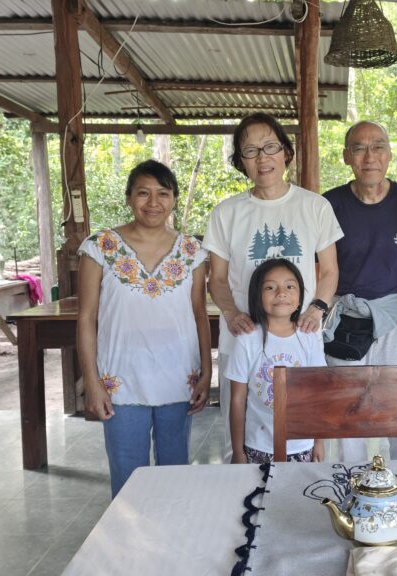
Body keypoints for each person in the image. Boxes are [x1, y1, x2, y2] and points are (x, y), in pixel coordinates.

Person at [204, 113, 343, 461]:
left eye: (270, 147)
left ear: (286, 153)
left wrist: (318, 308)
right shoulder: (226, 213)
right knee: (241, 434)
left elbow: (329, 271)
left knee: (303, 429)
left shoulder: (315, 206)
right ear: (240, 161)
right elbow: (217, 279)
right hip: (243, 336)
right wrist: (233, 313)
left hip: (298, 338)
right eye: (250, 151)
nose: (262, 158)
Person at [77, 159, 212, 497]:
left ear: (175, 200)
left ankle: (172, 540)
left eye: (163, 194)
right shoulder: (100, 247)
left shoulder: (192, 251)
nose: (153, 203)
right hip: (120, 382)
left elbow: (199, 315)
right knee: (127, 477)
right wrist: (92, 384)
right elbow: (86, 318)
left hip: (179, 379)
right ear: (128, 198)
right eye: (143, 193)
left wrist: (207, 373)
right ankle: (127, 544)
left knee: (174, 475)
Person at [322, 121, 397, 462]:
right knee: (347, 412)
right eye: (359, 148)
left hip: (394, 317)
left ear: (389, 154)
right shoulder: (330, 204)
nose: (369, 156)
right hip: (344, 317)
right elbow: (323, 269)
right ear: (346, 157)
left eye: (378, 146)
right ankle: (349, 487)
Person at [225, 259, 326, 463]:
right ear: (257, 296)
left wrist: (319, 442)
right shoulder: (247, 340)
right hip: (257, 446)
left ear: (299, 297)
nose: (281, 292)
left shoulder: (309, 337)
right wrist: (238, 451)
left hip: (302, 446)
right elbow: (237, 400)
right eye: (270, 287)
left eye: (290, 286)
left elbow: (319, 394)